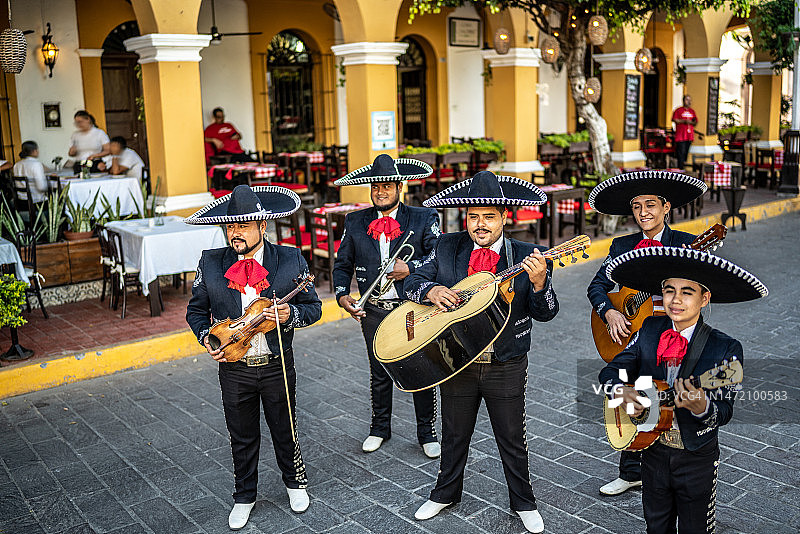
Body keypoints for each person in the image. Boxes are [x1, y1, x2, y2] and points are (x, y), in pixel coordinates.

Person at [405, 171, 559, 534]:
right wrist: (429, 292)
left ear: (505, 216)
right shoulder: (447, 247)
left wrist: (539, 283)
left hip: (505, 361)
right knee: (454, 432)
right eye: (473, 216)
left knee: (511, 435)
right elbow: (411, 280)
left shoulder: (527, 256)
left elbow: (547, 311)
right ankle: (445, 493)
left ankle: (524, 502)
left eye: (488, 216)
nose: (479, 224)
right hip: (456, 360)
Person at [599, 246, 767, 533]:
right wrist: (619, 392)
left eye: (687, 292)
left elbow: (724, 411)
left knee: (695, 527)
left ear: (704, 298)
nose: (675, 300)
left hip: (695, 455)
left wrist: (703, 407)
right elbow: (611, 370)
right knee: (656, 524)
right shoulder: (650, 328)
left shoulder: (724, 347)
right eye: (669, 290)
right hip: (651, 449)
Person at [185, 185, 322, 529]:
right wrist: (207, 338)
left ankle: (294, 483)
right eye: (231, 227)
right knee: (241, 435)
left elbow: (314, 308)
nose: (236, 233)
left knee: (285, 428)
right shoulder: (211, 262)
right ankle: (244, 495)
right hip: (235, 366)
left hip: (277, 364)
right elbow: (196, 312)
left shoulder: (289, 258)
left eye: (243, 226)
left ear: (262, 226)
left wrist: (292, 315)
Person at [587, 170, 707, 497]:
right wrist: (609, 311)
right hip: (631, 337)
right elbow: (597, 286)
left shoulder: (686, 244)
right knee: (631, 395)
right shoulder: (622, 245)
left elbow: (701, 290)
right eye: (637, 206)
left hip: (671, 335)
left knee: (670, 400)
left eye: (651, 205)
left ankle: (676, 473)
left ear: (666, 207)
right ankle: (630, 471)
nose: (643, 213)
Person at [332, 154, 442, 458]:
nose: (381, 190)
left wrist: (411, 268)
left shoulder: (423, 218)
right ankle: (379, 428)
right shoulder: (355, 221)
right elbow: (342, 265)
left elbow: (439, 258)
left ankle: (427, 431)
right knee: (379, 370)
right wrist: (343, 297)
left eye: (387, 185)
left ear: (400, 186)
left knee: (422, 368)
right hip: (374, 308)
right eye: (375, 185)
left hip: (412, 307)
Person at [672, 95, 698, 170]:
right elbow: (674, 119)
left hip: (689, 136)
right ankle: (680, 169)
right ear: (683, 101)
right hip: (681, 136)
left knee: (686, 152)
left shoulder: (692, 111)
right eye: (687, 100)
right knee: (681, 153)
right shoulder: (678, 110)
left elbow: (695, 121)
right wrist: (684, 121)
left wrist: (691, 122)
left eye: (690, 100)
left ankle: (683, 167)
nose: (689, 102)